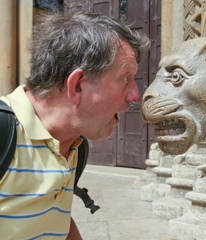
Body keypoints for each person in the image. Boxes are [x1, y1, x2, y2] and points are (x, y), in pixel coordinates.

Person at [0, 7, 150, 240]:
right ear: (77, 85)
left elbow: (51, 215)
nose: (135, 95)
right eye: (125, 78)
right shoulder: (4, 131)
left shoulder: (75, 146)